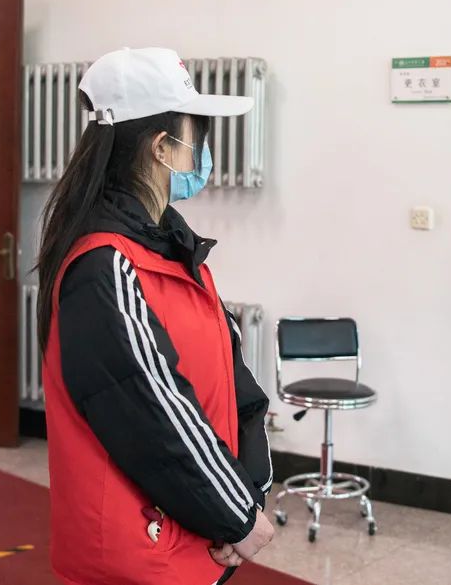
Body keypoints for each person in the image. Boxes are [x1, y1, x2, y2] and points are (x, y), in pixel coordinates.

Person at [35, 47, 274, 585]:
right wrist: (236, 516)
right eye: (197, 132)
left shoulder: (174, 249)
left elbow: (235, 384)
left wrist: (250, 490)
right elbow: (154, 413)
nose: (203, 149)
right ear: (163, 147)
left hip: (193, 538)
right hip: (140, 556)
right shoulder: (104, 266)